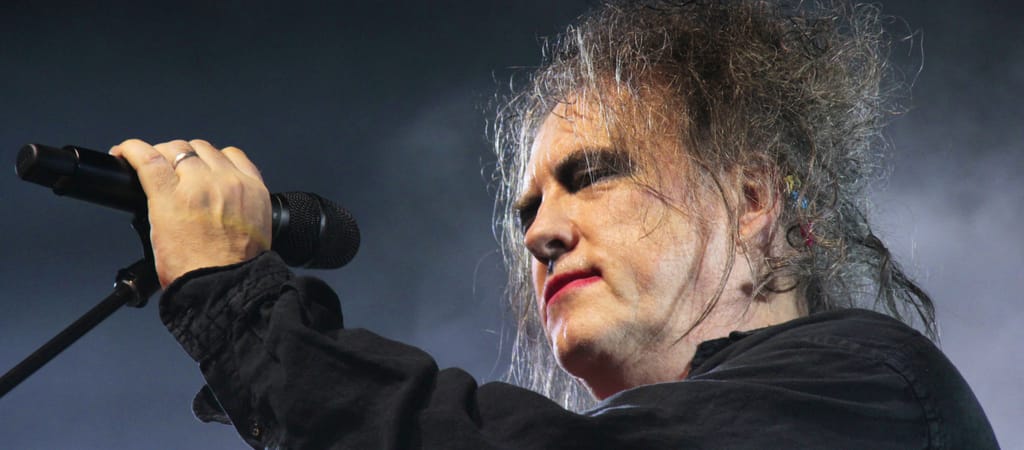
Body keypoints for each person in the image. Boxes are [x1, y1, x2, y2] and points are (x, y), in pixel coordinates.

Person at [111, 0, 997, 448]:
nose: (539, 234)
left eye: (593, 177)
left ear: (755, 198)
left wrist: (235, 299)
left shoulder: (871, 390)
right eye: (529, 209)